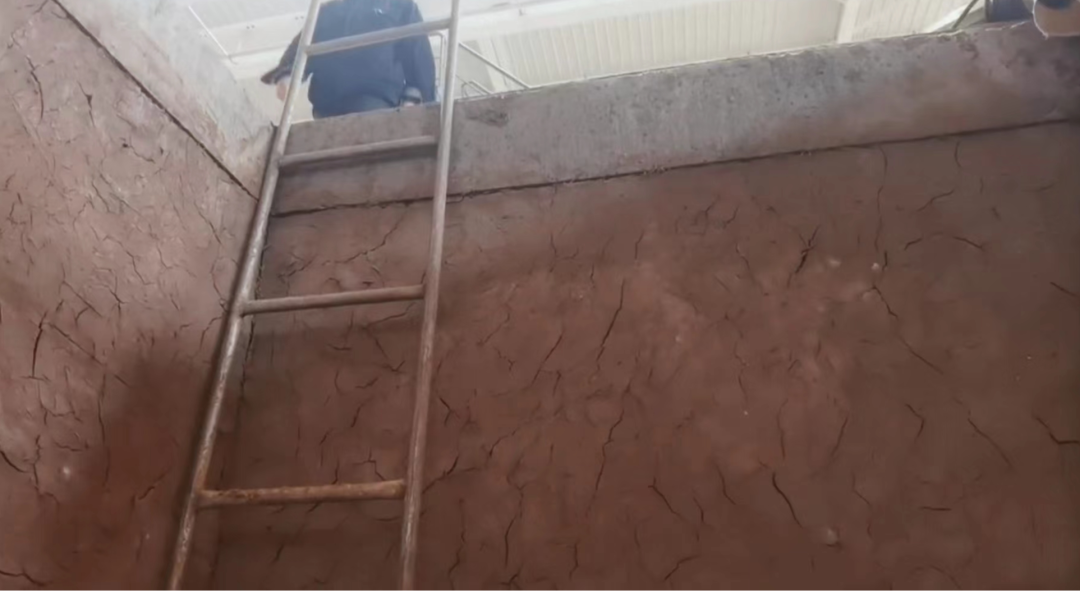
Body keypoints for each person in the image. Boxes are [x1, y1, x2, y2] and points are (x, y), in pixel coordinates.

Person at [261, 0, 436, 119]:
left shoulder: (401, 7)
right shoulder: (328, 11)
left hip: (373, 99)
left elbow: (418, 56)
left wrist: (415, 98)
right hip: (325, 104)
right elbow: (304, 44)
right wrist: (288, 74)